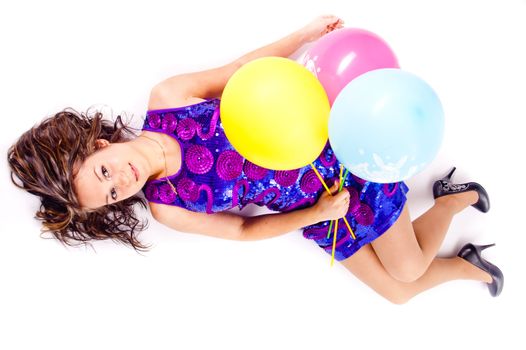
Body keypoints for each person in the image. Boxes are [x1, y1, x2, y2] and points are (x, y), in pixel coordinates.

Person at [7, 15, 503, 304]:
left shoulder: (169, 99)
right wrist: (315, 215)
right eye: (112, 193)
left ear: (99, 145)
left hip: (344, 162)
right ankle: (463, 245)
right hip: (319, 212)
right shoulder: (167, 207)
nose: (122, 180)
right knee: (399, 293)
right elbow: (243, 231)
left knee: (411, 271)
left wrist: (303, 35)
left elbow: (244, 70)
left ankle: (452, 214)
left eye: (104, 171)